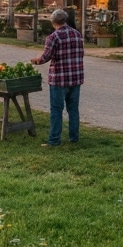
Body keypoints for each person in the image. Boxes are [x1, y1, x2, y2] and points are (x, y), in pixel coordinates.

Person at [31, 9, 84, 146]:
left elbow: (46, 57)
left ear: (53, 22)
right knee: (73, 109)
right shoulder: (77, 34)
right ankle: (74, 137)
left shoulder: (53, 37)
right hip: (75, 78)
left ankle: (54, 140)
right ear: (65, 20)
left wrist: (36, 60)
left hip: (59, 79)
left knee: (56, 109)